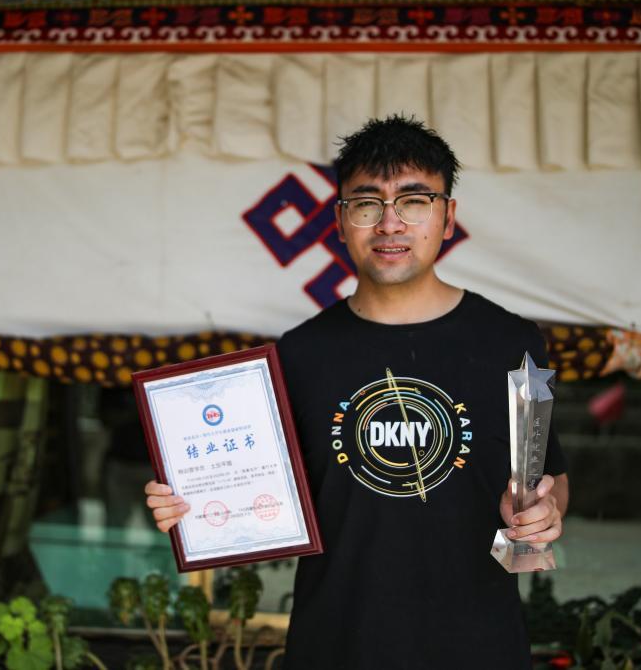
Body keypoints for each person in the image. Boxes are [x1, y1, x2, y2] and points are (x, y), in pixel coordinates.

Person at [144, 115, 570, 669]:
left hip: (478, 644)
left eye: (414, 202)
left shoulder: (512, 344)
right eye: (367, 204)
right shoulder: (297, 356)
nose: (390, 224)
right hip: (334, 645)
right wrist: (193, 502)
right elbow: (257, 494)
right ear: (341, 222)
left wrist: (544, 512)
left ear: (448, 218)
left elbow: (549, 475)